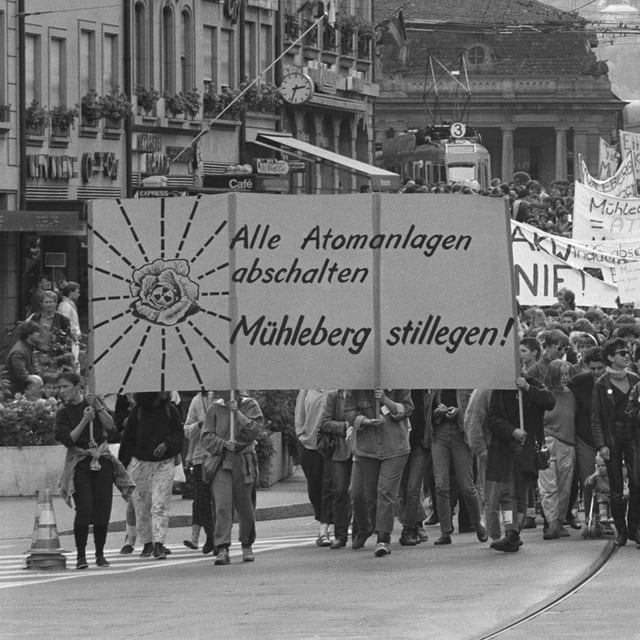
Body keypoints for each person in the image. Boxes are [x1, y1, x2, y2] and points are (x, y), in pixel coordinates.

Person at [55, 371, 133, 569]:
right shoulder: (63, 413)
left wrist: (98, 409)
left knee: (102, 508)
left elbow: (111, 429)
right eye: (60, 387)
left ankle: (100, 553)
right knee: (85, 508)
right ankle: (81, 555)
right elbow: (68, 439)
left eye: (65, 386)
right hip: (81, 462)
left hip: (101, 460)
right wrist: (83, 420)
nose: (62, 391)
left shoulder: (93, 403)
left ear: (77, 386)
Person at [487, 374, 555, 552]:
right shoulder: (500, 389)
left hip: (527, 449)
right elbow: (492, 418)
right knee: (507, 495)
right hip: (505, 449)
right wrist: (511, 431)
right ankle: (510, 530)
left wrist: (527, 389)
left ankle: (516, 530)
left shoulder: (532, 383)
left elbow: (549, 401)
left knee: (521, 494)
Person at [344, 387, 413, 557]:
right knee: (371, 495)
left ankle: (383, 538)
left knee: (385, 491)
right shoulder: (355, 389)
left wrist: (385, 400)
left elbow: (406, 409)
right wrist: (364, 421)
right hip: (367, 448)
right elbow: (349, 412)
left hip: (395, 447)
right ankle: (371, 528)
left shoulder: (399, 384)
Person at [201, 390, 264, 566]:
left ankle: (247, 543)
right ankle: (222, 547)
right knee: (222, 505)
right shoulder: (214, 408)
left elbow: (255, 430)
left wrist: (237, 413)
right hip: (222, 462)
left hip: (243, 461)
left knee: (245, 506)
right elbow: (206, 436)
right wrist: (223, 444)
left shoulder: (250, 405)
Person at [119, 392, 184, 560]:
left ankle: (158, 544)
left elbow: (178, 434)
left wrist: (167, 444)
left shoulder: (170, 410)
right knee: (141, 506)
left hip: (164, 464)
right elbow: (127, 440)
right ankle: (147, 542)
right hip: (140, 464)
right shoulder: (138, 411)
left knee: (160, 504)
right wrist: (123, 469)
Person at [592, 338, 640, 546]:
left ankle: (635, 527)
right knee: (615, 486)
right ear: (610, 357)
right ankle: (621, 530)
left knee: (637, 482)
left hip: (634, 436)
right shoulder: (601, 384)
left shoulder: (635, 379)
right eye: (622, 353)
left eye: (627, 352)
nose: (626, 356)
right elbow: (596, 417)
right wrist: (601, 444)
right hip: (612, 438)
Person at [428, 389, 487, 546]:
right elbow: (425, 410)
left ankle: (478, 523)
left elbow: (473, 407)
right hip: (438, 433)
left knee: (467, 485)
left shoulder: (464, 380)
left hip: (460, 433)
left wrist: (459, 411)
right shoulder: (433, 381)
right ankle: (445, 531)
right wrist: (436, 412)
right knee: (440, 484)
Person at [566, 346, 606, 536]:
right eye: (593, 368)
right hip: (585, 439)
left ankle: (608, 519)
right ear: (586, 367)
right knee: (588, 481)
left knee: (611, 481)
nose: (597, 372)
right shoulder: (577, 383)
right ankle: (591, 519)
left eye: (600, 368)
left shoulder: (615, 381)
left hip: (610, 440)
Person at [538, 360, 577, 540]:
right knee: (548, 486)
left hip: (567, 444)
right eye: (561, 375)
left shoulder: (571, 394)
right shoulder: (544, 395)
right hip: (547, 442)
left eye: (567, 374)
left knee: (565, 487)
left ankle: (559, 522)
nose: (565, 378)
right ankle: (552, 523)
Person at [294, 389, 334, 546]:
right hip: (309, 445)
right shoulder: (306, 389)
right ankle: (321, 515)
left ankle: (324, 529)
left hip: (331, 444)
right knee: (314, 486)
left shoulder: (335, 387)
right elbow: (299, 414)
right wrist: (300, 435)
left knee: (329, 486)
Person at [318, 389, 354, 549]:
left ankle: (360, 531)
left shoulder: (361, 394)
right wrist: (345, 426)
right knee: (339, 491)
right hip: (339, 451)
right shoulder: (334, 396)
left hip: (359, 449)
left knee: (358, 493)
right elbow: (325, 422)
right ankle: (340, 536)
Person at [183, 390, 216, 554]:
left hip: (220, 456)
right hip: (200, 458)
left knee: (220, 500)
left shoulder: (224, 398)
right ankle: (211, 535)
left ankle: (219, 537)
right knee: (201, 500)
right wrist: (200, 424)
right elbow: (188, 430)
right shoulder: (197, 401)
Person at [27, 290, 72, 369]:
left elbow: (68, 342)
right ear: (41, 304)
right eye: (46, 302)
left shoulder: (63, 319)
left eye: (51, 302)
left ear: (55, 303)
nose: (49, 305)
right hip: (38, 356)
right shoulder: (35, 318)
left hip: (56, 357)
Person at [4, 320, 40, 397]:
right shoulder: (19, 351)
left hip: (21, 388)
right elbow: (22, 375)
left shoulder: (28, 347)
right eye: (36, 332)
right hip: (14, 390)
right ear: (29, 334)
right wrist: (37, 379)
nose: (38, 334)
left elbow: (33, 368)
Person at [57, 281, 82, 368]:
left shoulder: (68, 305)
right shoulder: (65, 306)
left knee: (75, 363)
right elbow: (64, 324)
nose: (79, 295)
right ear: (71, 293)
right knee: (72, 364)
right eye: (77, 292)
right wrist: (72, 336)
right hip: (70, 340)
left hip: (73, 339)